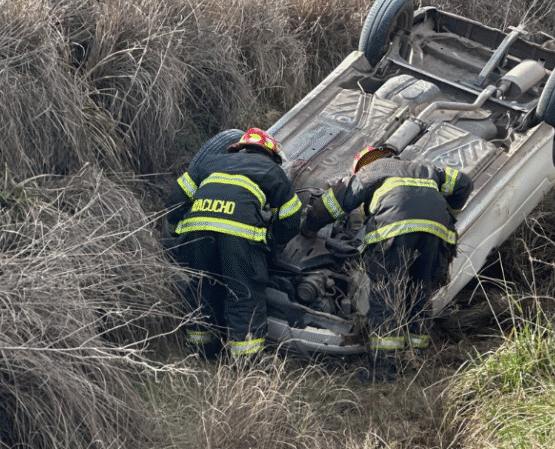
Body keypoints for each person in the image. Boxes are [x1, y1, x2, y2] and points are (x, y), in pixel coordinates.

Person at [300, 145, 473, 382]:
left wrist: (309, 224)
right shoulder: (424, 168)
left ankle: (385, 370)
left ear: (363, 164)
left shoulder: (373, 169)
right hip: (437, 232)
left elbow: (334, 204)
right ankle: (415, 363)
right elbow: (464, 183)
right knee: (420, 294)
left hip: (394, 229)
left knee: (386, 294)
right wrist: (449, 213)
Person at [166, 128, 302, 362]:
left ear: (237, 147)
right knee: (243, 294)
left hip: (197, 231)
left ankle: (203, 352)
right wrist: (272, 243)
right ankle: (246, 360)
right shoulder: (271, 170)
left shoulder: (209, 162)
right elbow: (291, 217)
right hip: (239, 235)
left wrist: (177, 232)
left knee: (202, 290)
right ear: (270, 154)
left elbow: (176, 199)